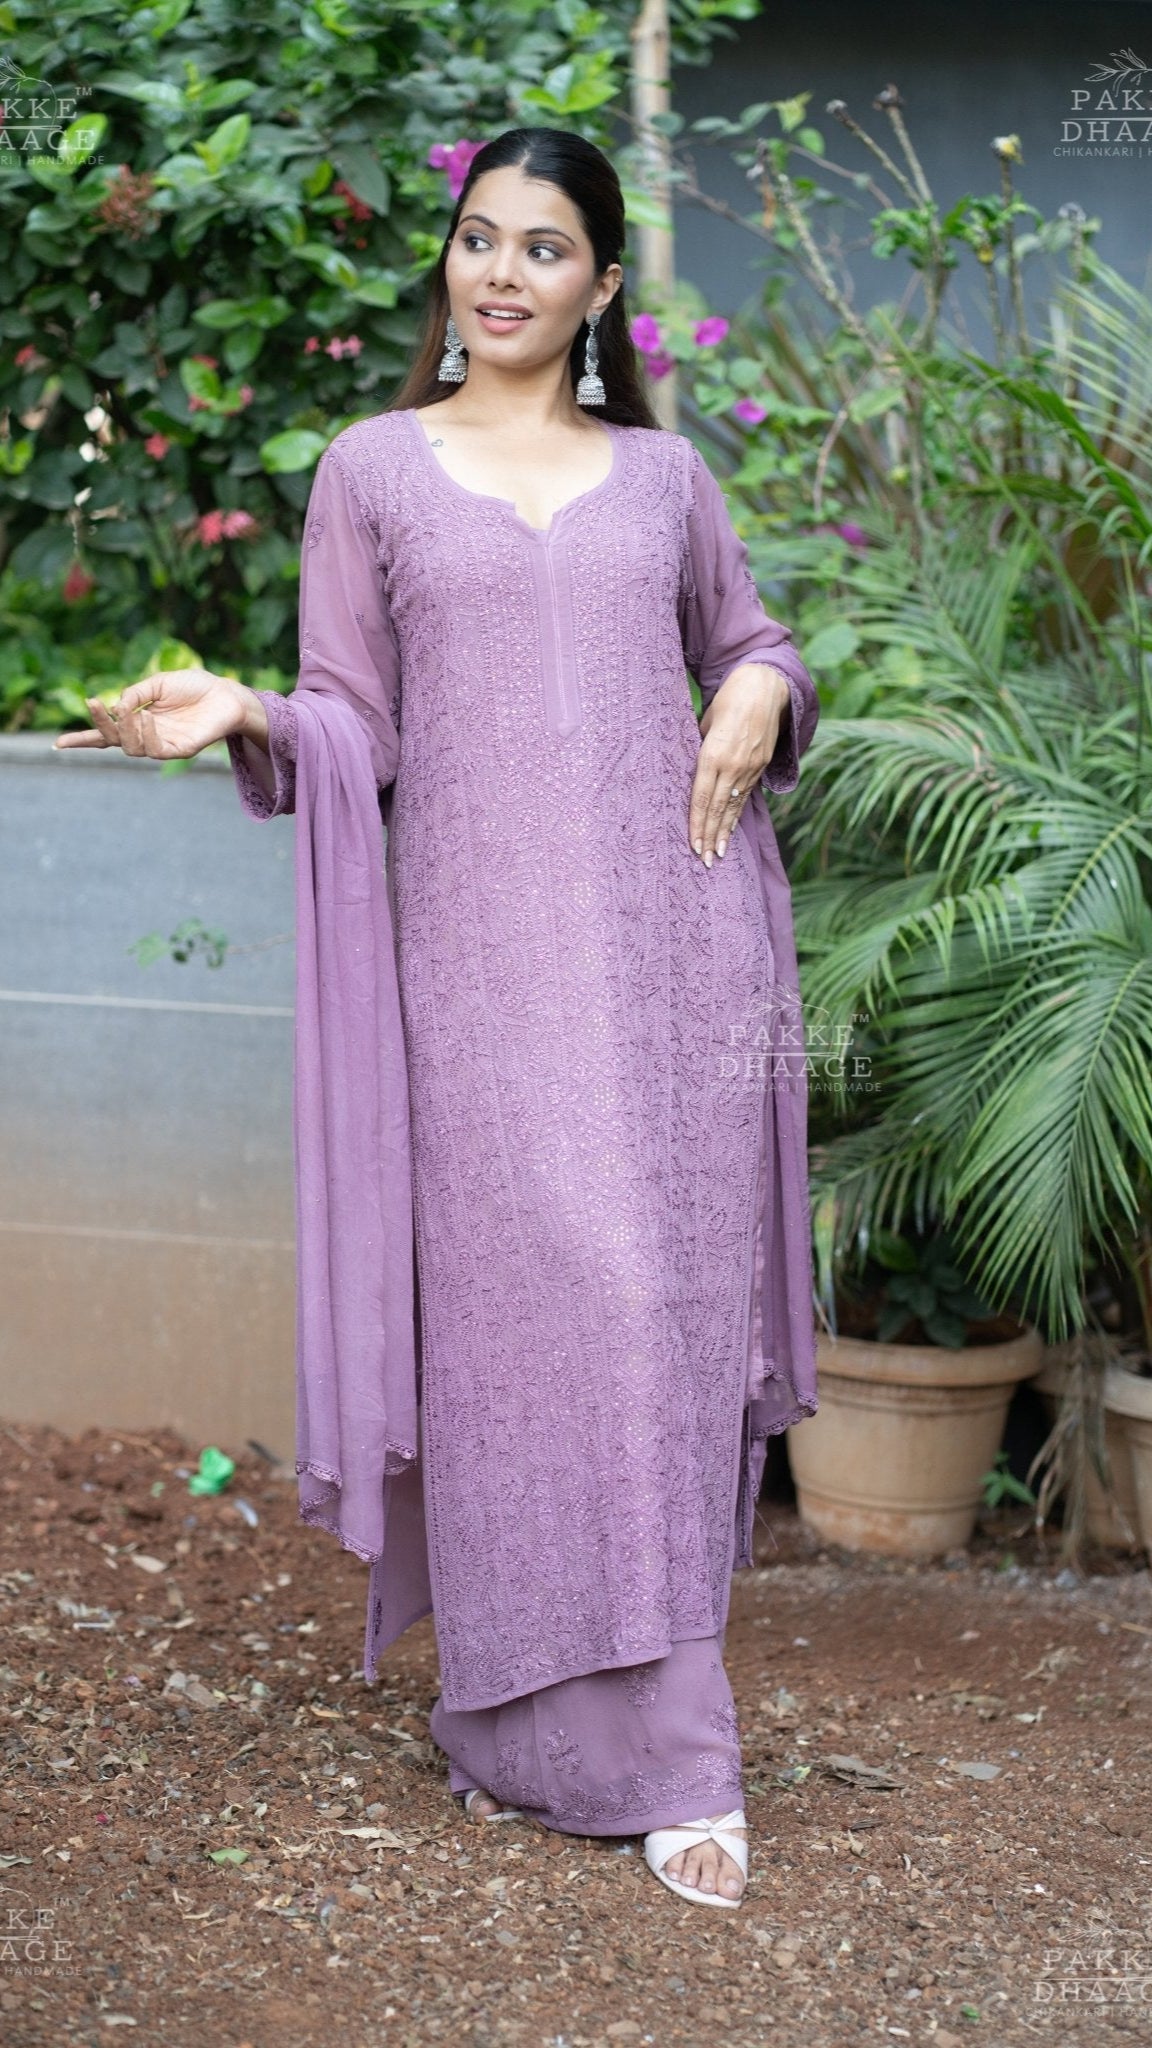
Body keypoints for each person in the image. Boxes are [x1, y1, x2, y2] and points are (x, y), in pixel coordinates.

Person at [55, 125, 820, 1910]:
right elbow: (353, 721)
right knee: (515, 1334)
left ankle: (680, 1753)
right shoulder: (371, 472)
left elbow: (755, 638)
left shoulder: (665, 481)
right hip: (475, 974)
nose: (498, 274)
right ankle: (519, 1739)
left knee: (653, 1317)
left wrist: (763, 694)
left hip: (676, 959)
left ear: (603, 290)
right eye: (478, 240)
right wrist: (242, 708)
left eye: (543, 250)